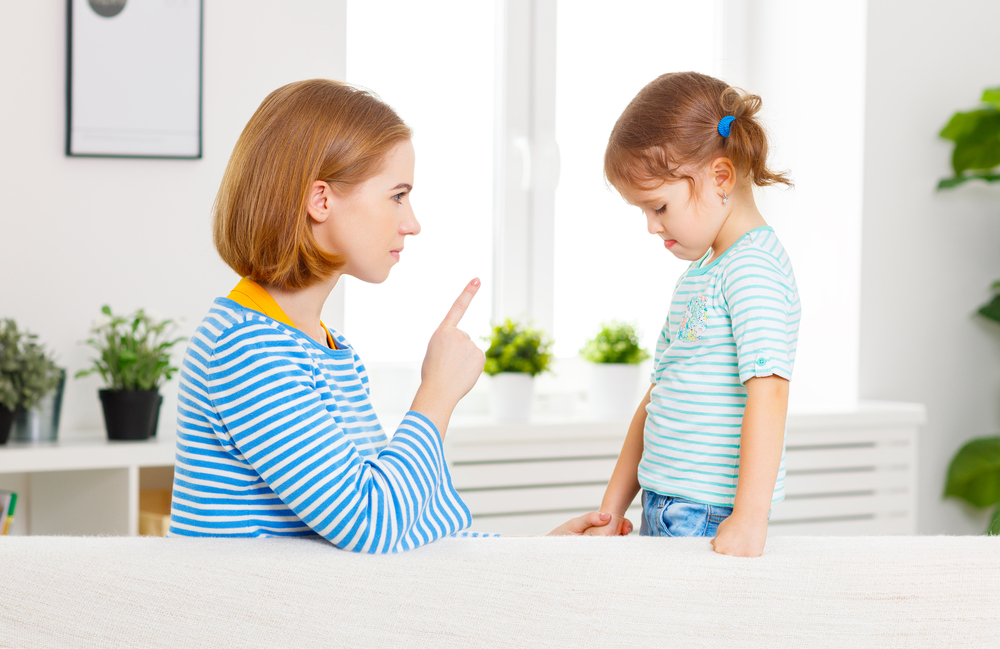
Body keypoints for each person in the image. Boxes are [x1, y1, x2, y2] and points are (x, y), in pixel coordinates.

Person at [167, 79, 622, 551]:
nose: (412, 222)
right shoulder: (247, 348)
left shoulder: (325, 348)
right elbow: (370, 525)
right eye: (397, 195)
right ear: (321, 200)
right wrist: (437, 394)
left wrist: (534, 549)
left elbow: (402, 524)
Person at [582, 72, 799, 557]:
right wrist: (612, 508)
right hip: (664, 500)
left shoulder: (753, 268)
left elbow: (770, 391)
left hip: (705, 512)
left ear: (720, 177)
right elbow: (660, 392)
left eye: (658, 207)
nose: (650, 226)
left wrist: (749, 516)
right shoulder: (704, 271)